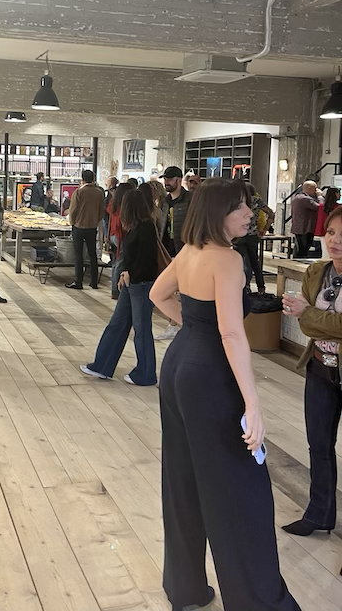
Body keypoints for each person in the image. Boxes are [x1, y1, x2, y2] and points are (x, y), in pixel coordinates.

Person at [149, 179, 300, 611]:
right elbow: (232, 335)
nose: (250, 214)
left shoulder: (189, 251)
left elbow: (159, 294)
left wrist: (195, 329)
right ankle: (258, 602)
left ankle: (186, 588)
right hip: (209, 375)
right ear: (218, 213)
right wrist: (253, 404)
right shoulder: (228, 259)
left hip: (179, 365)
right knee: (240, 489)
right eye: (240, 208)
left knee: (182, 478)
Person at [282, 204, 342, 538]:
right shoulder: (317, 272)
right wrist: (320, 321)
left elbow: (307, 316)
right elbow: (305, 325)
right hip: (319, 367)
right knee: (318, 445)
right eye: (331, 232)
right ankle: (319, 513)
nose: (335, 241)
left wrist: (311, 315)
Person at [80, 186, 159, 385]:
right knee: (117, 324)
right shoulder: (135, 227)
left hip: (141, 284)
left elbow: (147, 260)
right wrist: (126, 273)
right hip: (131, 284)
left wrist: (129, 273)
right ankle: (102, 365)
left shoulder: (146, 227)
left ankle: (146, 373)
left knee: (141, 330)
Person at [157, 166, 191, 340]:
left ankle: (176, 324)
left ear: (179, 179)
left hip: (184, 250)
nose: (166, 182)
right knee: (169, 289)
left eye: (169, 179)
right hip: (166, 249)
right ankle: (174, 324)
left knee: (184, 288)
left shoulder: (190, 199)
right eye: (165, 179)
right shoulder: (165, 201)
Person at [66, 170, 105, 290]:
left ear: (82, 179)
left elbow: (73, 210)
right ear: (93, 179)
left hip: (79, 227)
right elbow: (101, 211)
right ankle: (94, 281)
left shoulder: (78, 192)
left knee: (79, 255)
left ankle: (78, 281)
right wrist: (95, 221)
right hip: (92, 227)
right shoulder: (99, 193)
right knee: (92, 254)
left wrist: (72, 222)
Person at [235, 184, 275, 294]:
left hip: (239, 235)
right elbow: (271, 213)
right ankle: (261, 287)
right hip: (253, 235)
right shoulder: (257, 201)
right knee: (254, 262)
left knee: (239, 262)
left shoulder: (238, 201)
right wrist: (265, 228)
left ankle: (243, 287)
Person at [108, 182, 134, 299]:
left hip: (113, 234)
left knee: (115, 263)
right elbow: (122, 223)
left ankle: (113, 289)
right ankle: (116, 291)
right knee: (120, 262)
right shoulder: (125, 205)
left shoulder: (113, 203)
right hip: (120, 236)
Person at [291, 180, 320, 258]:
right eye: (315, 188)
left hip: (299, 228)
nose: (316, 190)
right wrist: (320, 196)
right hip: (305, 229)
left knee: (300, 249)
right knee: (303, 250)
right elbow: (319, 207)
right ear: (309, 188)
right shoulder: (305, 199)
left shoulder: (297, 197)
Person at [314, 186, 340, 260]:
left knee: (325, 251)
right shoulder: (338, 207)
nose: (340, 195)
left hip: (323, 230)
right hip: (334, 230)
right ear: (335, 194)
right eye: (339, 193)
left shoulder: (321, 206)